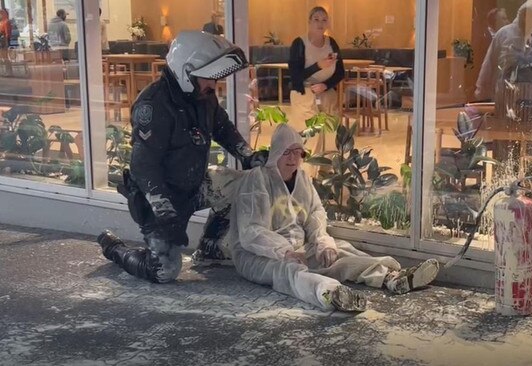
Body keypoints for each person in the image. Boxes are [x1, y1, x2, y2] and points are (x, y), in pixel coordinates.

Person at [96, 31, 268, 284]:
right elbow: (143, 166)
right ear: (187, 71)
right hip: (160, 197)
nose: (214, 84)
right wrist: (164, 210)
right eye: (209, 77)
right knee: (163, 271)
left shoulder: (202, 95)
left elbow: (221, 127)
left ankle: (211, 246)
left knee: (246, 185)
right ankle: (115, 248)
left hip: (194, 184)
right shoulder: (153, 105)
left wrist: (247, 155)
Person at [224, 124, 440, 312]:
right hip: (256, 255)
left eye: (297, 152)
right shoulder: (257, 181)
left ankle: (391, 278)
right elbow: (251, 231)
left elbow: (316, 213)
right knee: (288, 271)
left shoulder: (303, 180)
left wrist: (322, 243)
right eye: (286, 152)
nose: (292, 159)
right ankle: (328, 292)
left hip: (296, 248)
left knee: (340, 251)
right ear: (276, 153)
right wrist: (285, 252)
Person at [475, 0, 532, 101]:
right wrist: (482, 94)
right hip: (505, 97)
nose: (528, 19)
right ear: (521, 14)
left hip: (530, 98)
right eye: (526, 15)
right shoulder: (503, 34)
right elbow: (489, 65)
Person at [288, 6, 344, 127]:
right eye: (316, 19)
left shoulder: (332, 43)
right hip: (304, 94)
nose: (320, 23)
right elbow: (295, 76)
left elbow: (340, 72)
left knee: (331, 133)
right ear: (309, 22)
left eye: (324, 20)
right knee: (310, 136)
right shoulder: (299, 44)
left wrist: (326, 85)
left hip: (327, 92)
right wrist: (318, 66)